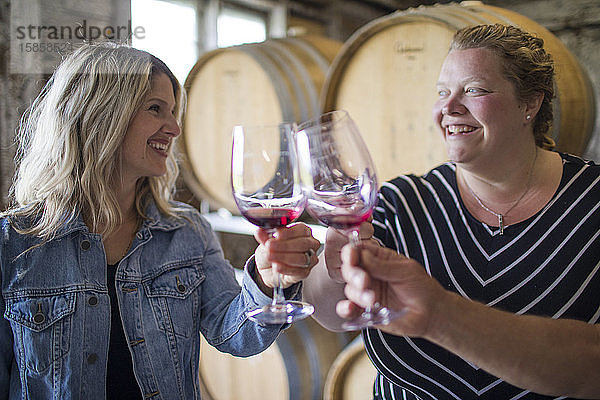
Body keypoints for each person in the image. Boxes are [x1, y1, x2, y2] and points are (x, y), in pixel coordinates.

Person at [0, 43, 321, 399]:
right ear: (102, 114)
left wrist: (265, 279)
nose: (174, 128)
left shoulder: (187, 232)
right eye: (156, 109)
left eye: (172, 112)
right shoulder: (13, 243)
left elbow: (235, 335)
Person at [304, 24, 600, 399]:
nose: (449, 106)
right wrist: (334, 266)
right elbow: (330, 314)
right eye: (443, 92)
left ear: (530, 103)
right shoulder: (402, 201)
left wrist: (443, 315)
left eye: (474, 90)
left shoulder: (592, 202)